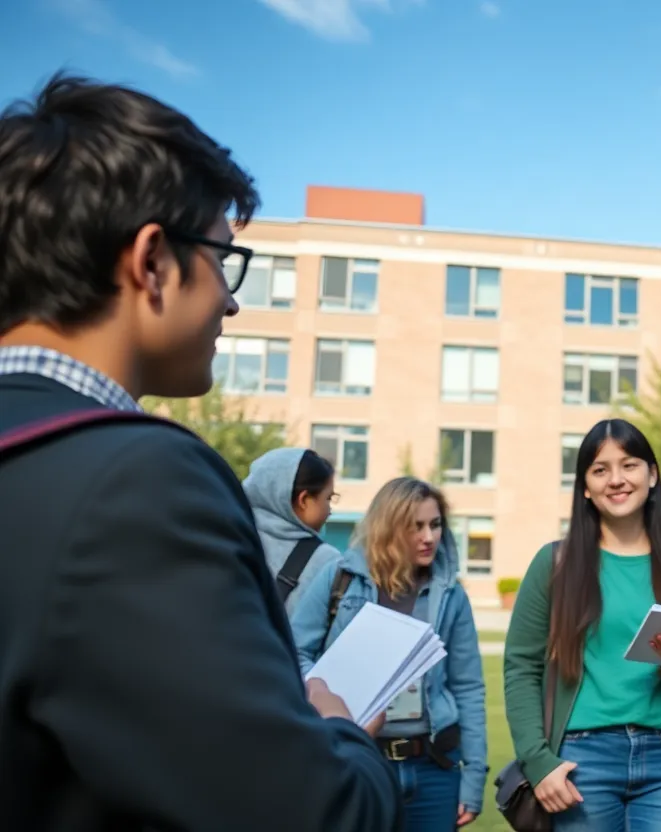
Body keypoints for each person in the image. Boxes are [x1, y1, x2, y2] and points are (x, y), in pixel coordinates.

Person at [0, 73, 400, 830]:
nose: (231, 298)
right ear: (152, 262)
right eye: (223, 260)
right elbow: (310, 815)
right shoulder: (136, 483)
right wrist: (344, 735)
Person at [504, 418, 661, 832]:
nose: (616, 479)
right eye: (600, 469)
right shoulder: (553, 563)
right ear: (585, 488)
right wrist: (539, 763)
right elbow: (521, 667)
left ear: (653, 475)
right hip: (582, 760)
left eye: (629, 465)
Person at [292, 476, 488, 830]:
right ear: (388, 528)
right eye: (415, 527)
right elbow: (294, 653)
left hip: (433, 768)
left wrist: (473, 779)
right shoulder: (340, 579)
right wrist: (324, 694)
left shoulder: (450, 595)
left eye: (435, 524)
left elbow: (469, 687)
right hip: (357, 762)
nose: (429, 537)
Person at [244, 447, 343, 613]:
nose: (330, 510)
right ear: (303, 499)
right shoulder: (327, 562)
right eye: (328, 498)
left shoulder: (228, 539)